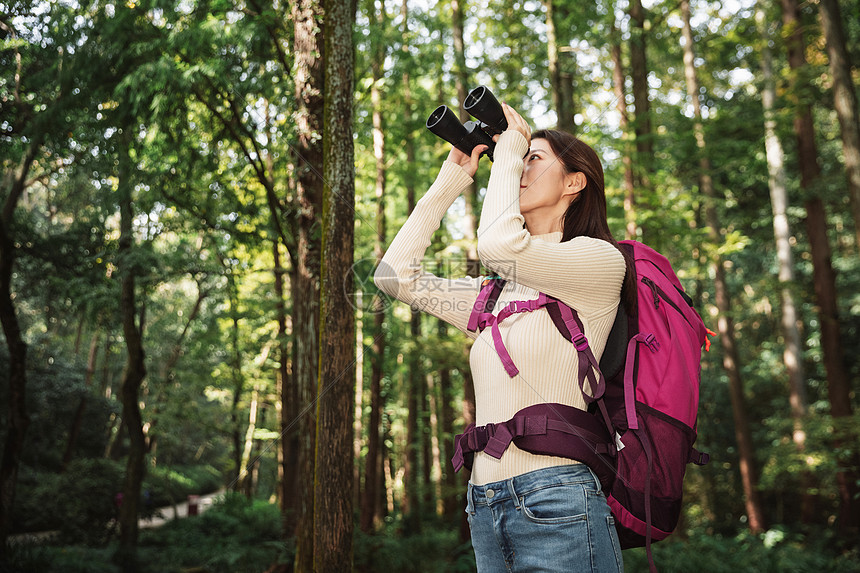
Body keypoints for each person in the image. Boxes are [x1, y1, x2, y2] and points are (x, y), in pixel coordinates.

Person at [374, 102, 629, 572]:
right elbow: (394, 278)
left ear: (575, 182)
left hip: (559, 497)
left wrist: (510, 144)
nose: (519, 167)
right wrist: (451, 178)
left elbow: (497, 246)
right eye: (520, 158)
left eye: (535, 158)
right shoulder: (497, 294)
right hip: (484, 504)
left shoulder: (599, 262)